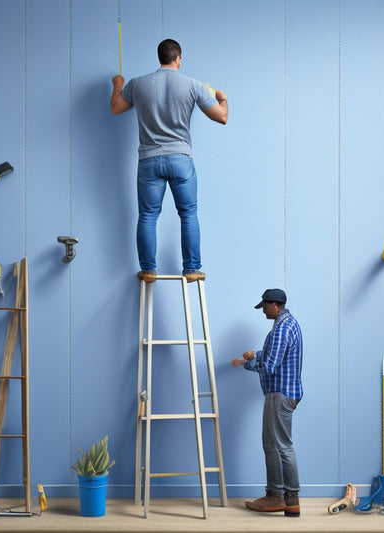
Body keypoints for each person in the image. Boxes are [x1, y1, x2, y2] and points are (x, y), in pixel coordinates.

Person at [110, 38, 228, 283]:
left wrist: (117, 85)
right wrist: (222, 98)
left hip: (149, 160)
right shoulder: (192, 85)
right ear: (178, 58)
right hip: (180, 159)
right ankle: (192, 268)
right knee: (188, 213)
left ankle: (148, 269)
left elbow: (116, 107)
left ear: (160, 57)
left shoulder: (137, 84)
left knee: (148, 216)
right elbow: (222, 117)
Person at [231, 288, 303, 517]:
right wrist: (256, 354)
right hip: (285, 393)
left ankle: (283, 497)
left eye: (264, 306)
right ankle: (282, 496)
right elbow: (276, 355)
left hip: (279, 394)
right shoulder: (288, 324)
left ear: (274, 305)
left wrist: (246, 363)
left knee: (279, 446)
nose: (262, 311)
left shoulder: (281, 328)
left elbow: (271, 366)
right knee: (276, 445)